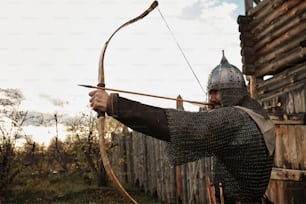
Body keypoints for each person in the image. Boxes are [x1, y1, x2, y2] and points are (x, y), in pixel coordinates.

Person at [89, 52, 275, 204]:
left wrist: (114, 105)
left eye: (217, 92)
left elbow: (179, 126)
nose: (211, 98)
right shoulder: (255, 113)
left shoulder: (235, 119)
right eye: (210, 92)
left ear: (233, 91)